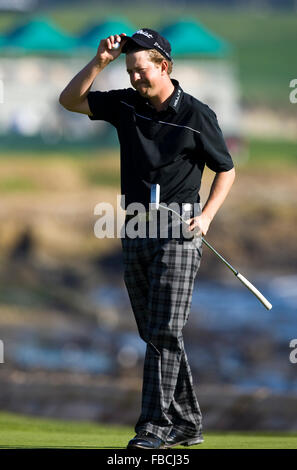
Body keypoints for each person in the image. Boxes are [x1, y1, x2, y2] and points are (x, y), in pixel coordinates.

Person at [59, 28, 235, 449]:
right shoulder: (125, 103)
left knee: (164, 330)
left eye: (143, 71)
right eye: (131, 71)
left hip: (179, 230)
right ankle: (189, 423)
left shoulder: (196, 115)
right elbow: (69, 101)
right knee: (156, 332)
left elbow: (225, 169)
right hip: (136, 226)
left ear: (164, 66)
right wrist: (100, 61)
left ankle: (153, 427)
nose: (136, 79)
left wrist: (207, 216)